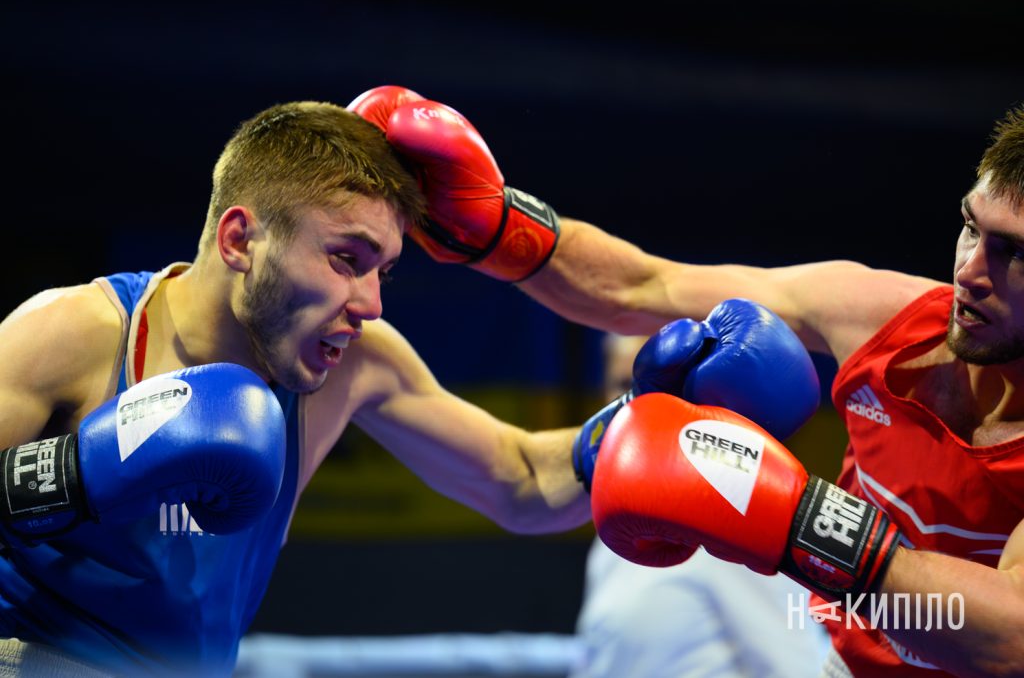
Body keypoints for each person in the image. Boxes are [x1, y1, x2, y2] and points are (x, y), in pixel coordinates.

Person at [0, 92, 805, 677]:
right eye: (346, 259)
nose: (370, 303)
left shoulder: (353, 362)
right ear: (242, 238)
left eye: (384, 271)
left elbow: (523, 481)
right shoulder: (74, 336)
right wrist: (69, 479)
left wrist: (648, 421)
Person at [356, 88, 1024, 677]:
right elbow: (644, 284)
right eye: (971, 227)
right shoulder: (885, 316)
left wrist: (797, 521)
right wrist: (499, 227)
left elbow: (1010, 640)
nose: (971, 270)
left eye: (1013, 251)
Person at [570, 333, 830, 678]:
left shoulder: (730, 510)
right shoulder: (614, 528)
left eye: (660, 389)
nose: (635, 405)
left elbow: (795, 667)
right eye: (623, 386)